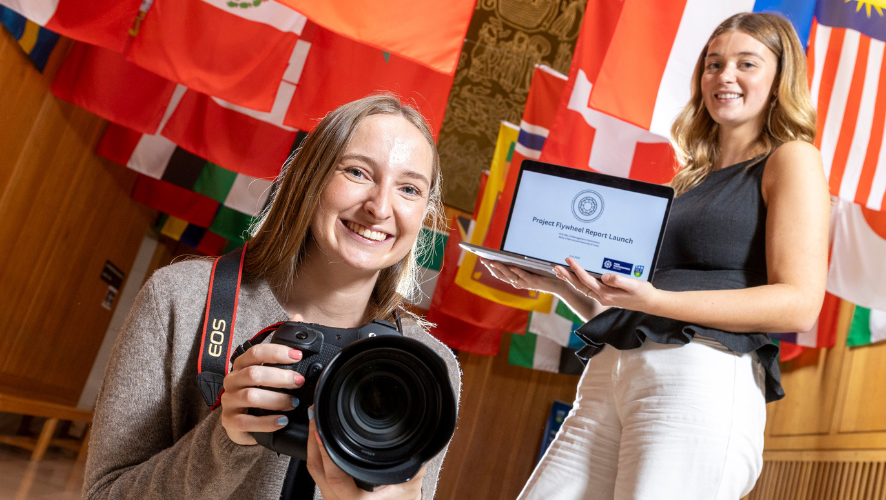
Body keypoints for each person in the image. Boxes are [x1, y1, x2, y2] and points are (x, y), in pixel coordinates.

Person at [482, 12, 830, 499]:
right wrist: (557, 283)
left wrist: (653, 300)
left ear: (778, 82)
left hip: (700, 380)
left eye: (745, 64)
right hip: (612, 371)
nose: (724, 76)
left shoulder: (791, 158)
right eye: (713, 64)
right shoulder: (682, 182)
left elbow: (799, 305)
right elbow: (636, 311)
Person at [83, 95, 461, 500]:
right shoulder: (180, 299)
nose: (380, 207)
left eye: (409, 188)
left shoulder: (427, 366)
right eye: (357, 172)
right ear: (308, 177)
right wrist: (225, 439)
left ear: (424, 213)